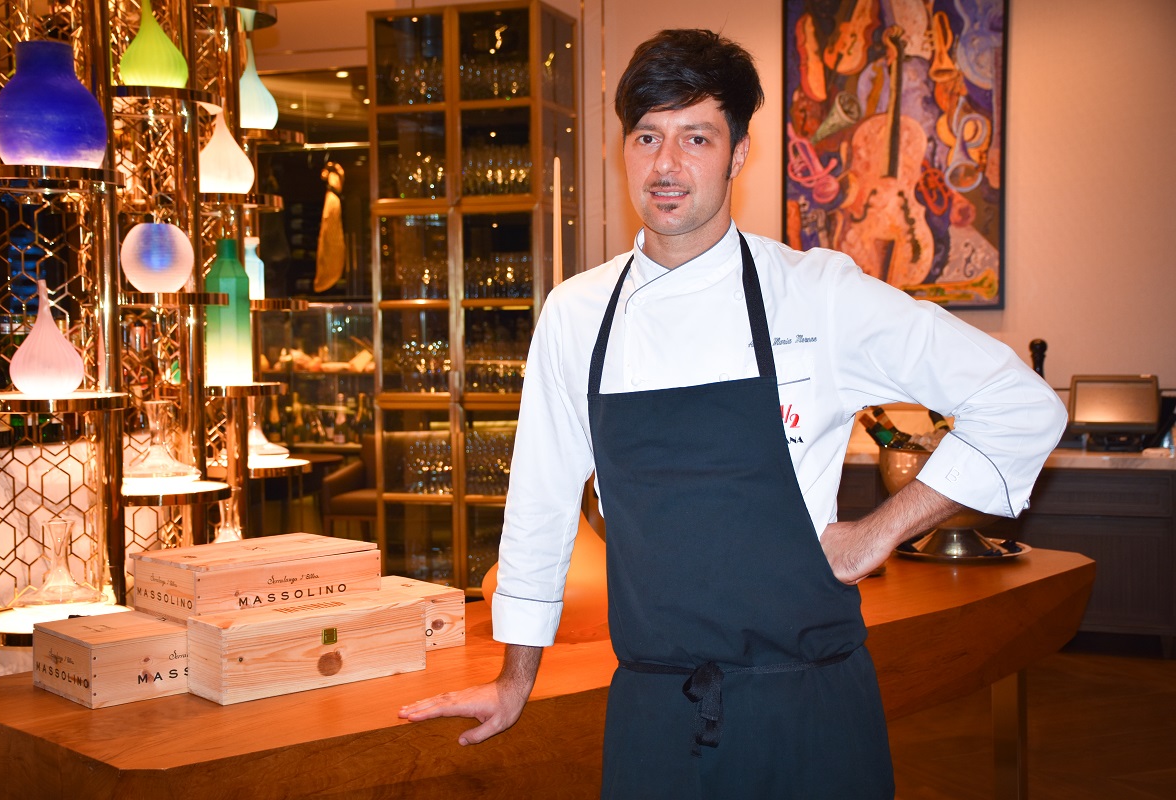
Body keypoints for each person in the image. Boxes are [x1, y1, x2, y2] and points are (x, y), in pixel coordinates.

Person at [399, 28, 1067, 799]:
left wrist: (875, 535)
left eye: (696, 137)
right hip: (656, 711)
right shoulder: (578, 314)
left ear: (738, 153)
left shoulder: (817, 294)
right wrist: (515, 678)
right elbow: (540, 504)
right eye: (647, 136)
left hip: (810, 706)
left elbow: (1020, 404)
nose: (666, 164)